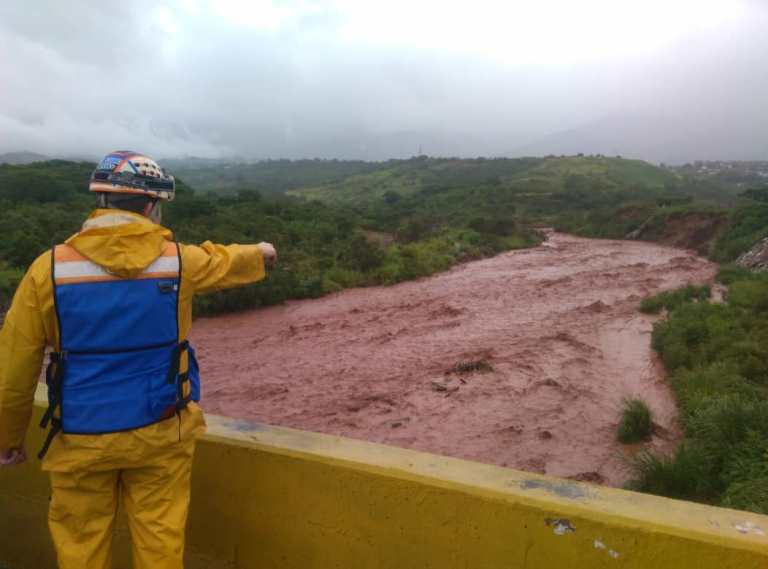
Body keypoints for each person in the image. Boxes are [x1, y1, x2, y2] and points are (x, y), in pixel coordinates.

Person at [0, 151, 277, 569]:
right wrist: (261, 252)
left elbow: (14, 370)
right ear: (151, 206)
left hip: (80, 437)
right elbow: (224, 260)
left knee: (80, 545)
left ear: (101, 203)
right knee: (160, 540)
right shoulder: (179, 262)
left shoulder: (48, 270)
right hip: (161, 432)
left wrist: (8, 439)